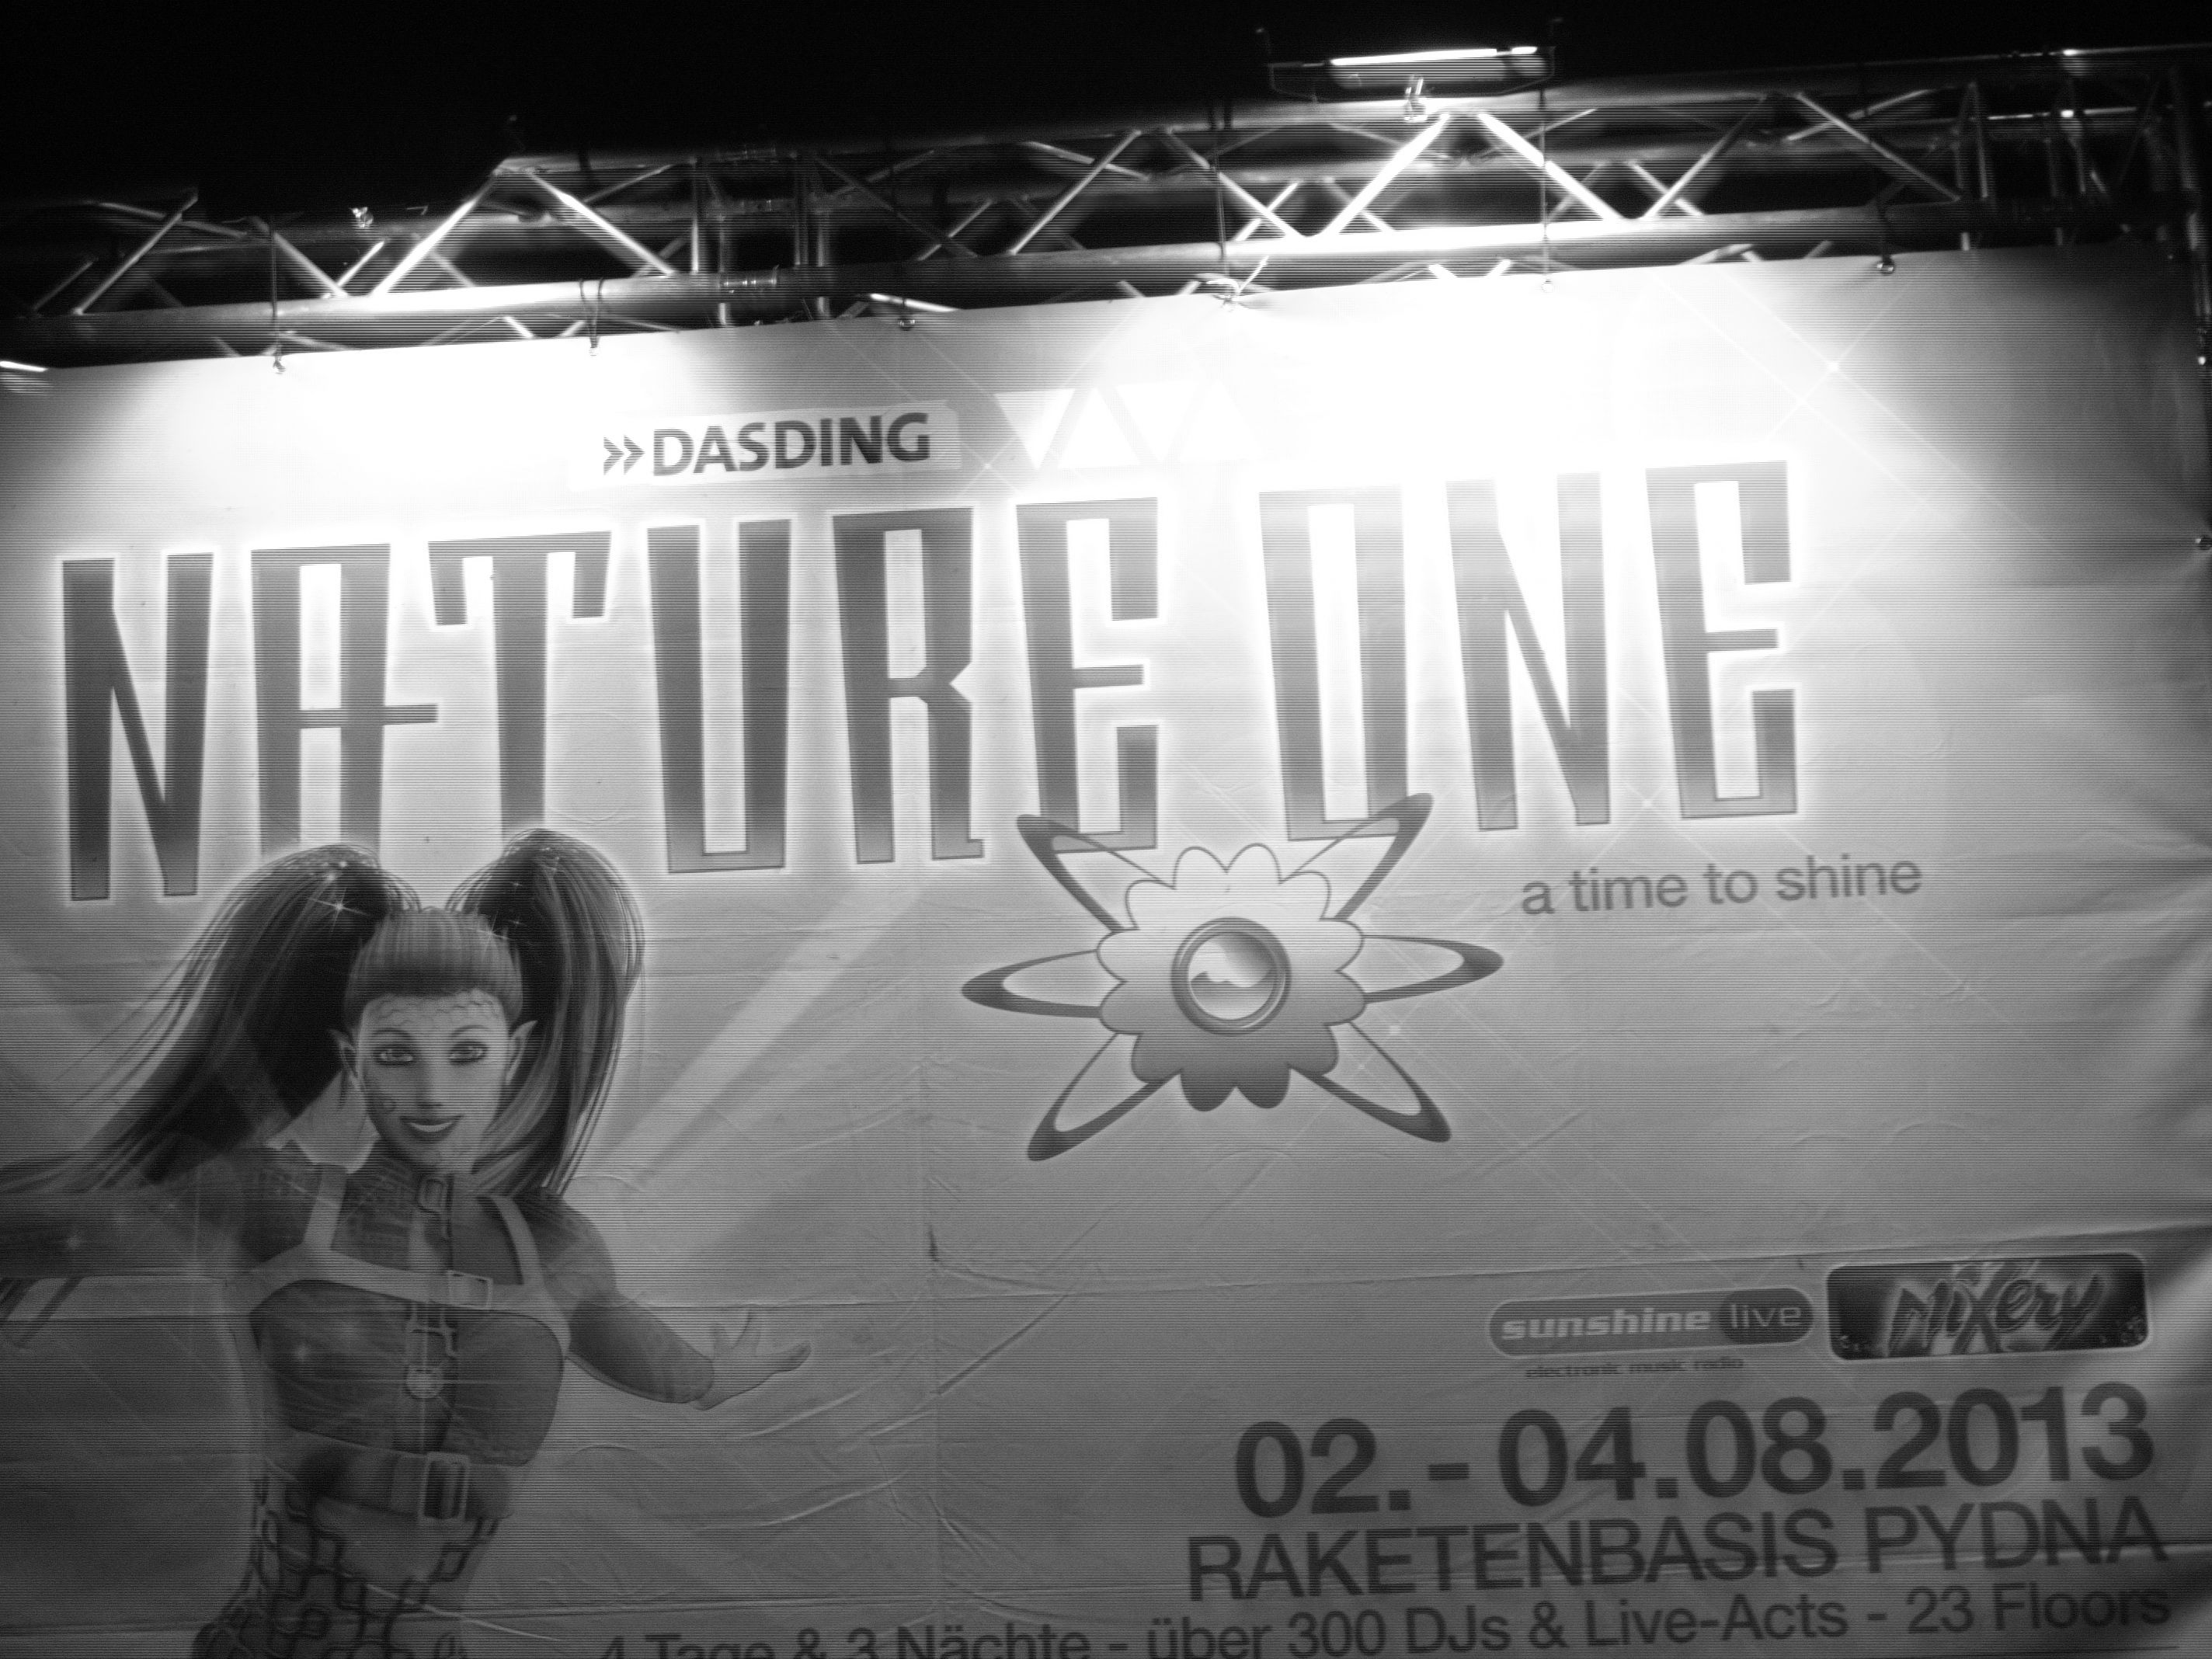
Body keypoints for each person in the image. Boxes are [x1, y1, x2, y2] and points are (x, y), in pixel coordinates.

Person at [0, 831, 806, 1659]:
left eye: (466, 1054)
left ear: (515, 1053)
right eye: (396, 1055)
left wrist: (724, 1374)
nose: (430, 1093)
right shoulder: (274, 1204)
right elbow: (79, 1231)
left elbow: (659, 1363)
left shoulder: (554, 1249)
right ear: (352, 1060)